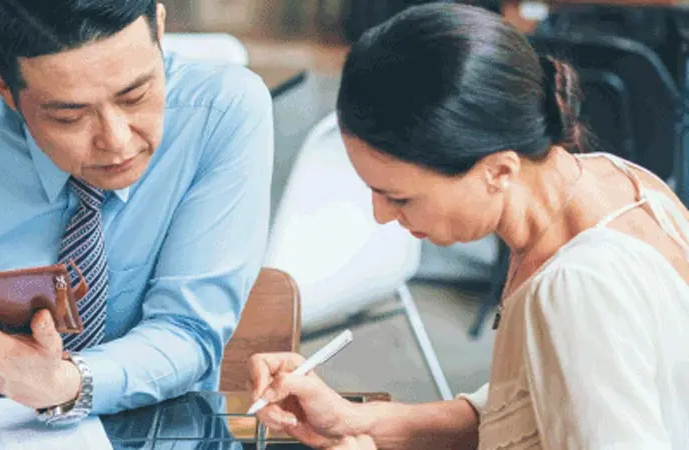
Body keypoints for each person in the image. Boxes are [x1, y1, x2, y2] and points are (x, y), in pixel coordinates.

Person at [248, 4, 689, 449]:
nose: (381, 214)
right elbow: (525, 410)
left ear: (498, 171)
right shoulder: (620, 180)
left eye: (400, 197)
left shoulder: (575, 290)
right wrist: (356, 420)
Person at [0, 0, 273, 423]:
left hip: (159, 428)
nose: (117, 141)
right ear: (2, 88)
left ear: (159, 29)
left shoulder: (221, 112)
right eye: (69, 117)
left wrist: (62, 384)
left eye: (135, 96)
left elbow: (189, 330)